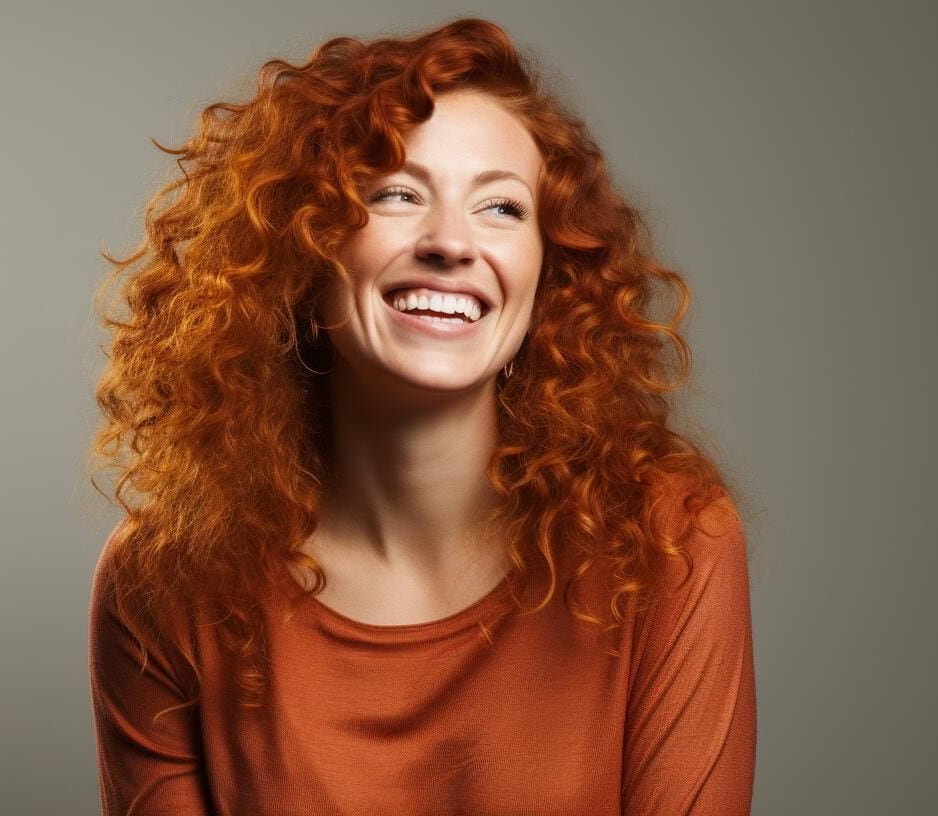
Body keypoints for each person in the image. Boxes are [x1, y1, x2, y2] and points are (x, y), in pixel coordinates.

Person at [87, 17, 756, 815]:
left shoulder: (669, 540)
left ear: (551, 273)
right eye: (397, 194)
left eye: (502, 209)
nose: (451, 242)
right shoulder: (165, 580)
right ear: (305, 247)